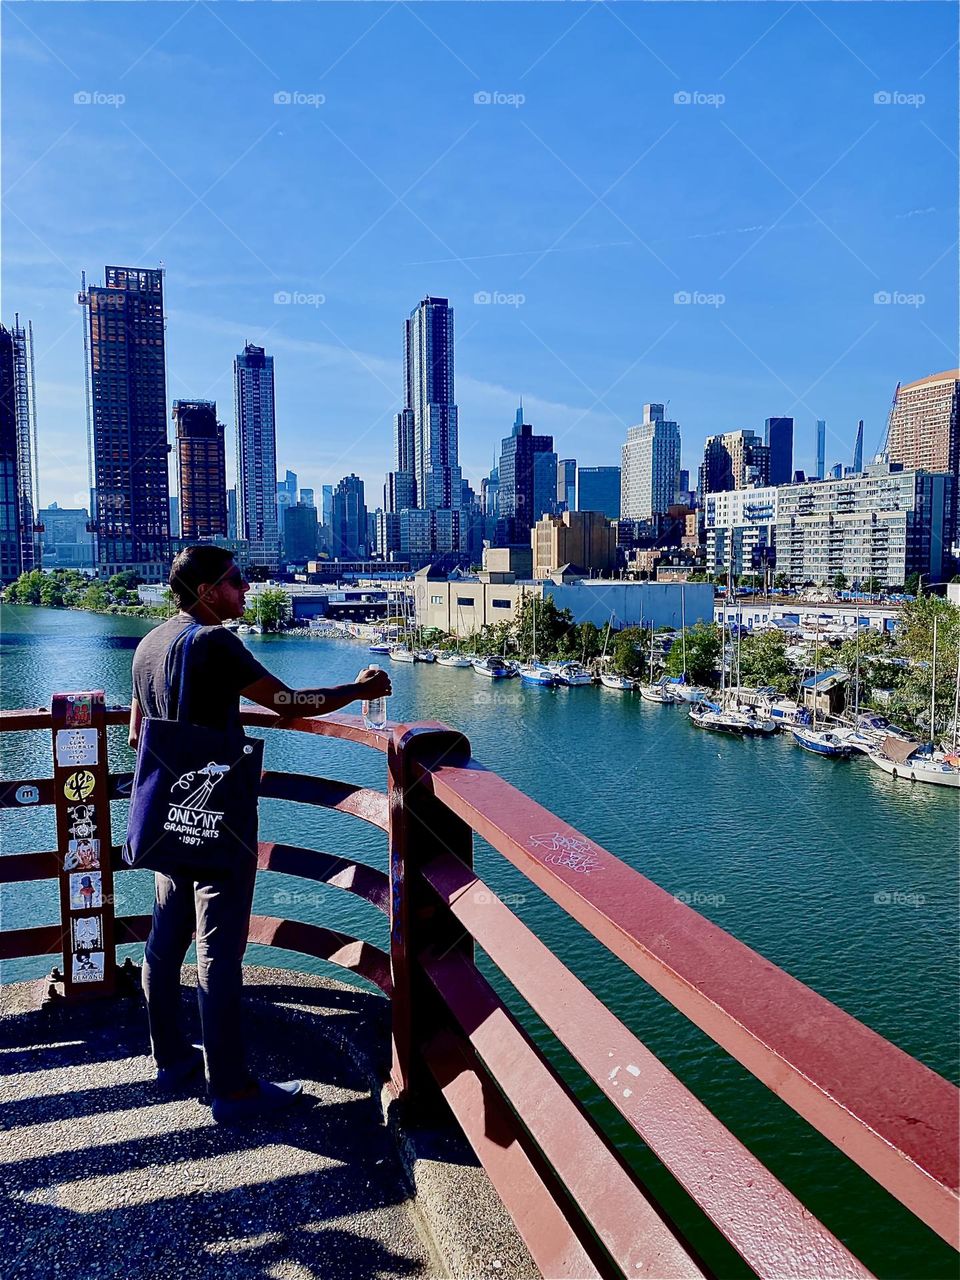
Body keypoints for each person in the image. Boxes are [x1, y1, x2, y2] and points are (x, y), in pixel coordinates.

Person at [129, 545, 391, 1124]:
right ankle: (231, 1090)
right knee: (219, 954)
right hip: (220, 824)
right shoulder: (214, 642)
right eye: (235, 581)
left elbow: (136, 735)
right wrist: (358, 691)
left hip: (168, 820)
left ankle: (171, 1060)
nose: (246, 591)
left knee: (165, 941)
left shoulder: (148, 645)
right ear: (204, 591)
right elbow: (289, 705)